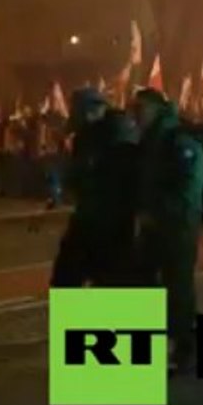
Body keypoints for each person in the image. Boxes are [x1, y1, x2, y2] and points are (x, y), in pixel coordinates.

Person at [133, 88, 203, 373]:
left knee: (178, 287)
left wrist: (159, 212)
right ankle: (153, 345)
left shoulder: (179, 140)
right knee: (144, 280)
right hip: (154, 225)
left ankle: (184, 348)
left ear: (155, 109)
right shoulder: (150, 141)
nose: (135, 116)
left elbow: (188, 187)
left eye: (140, 109)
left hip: (179, 226)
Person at [50, 88, 140, 287]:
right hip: (92, 219)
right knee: (70, 283)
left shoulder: (117, 134)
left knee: (104, 284)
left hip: (109, 225)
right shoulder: (91, 135)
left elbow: (115, 180)